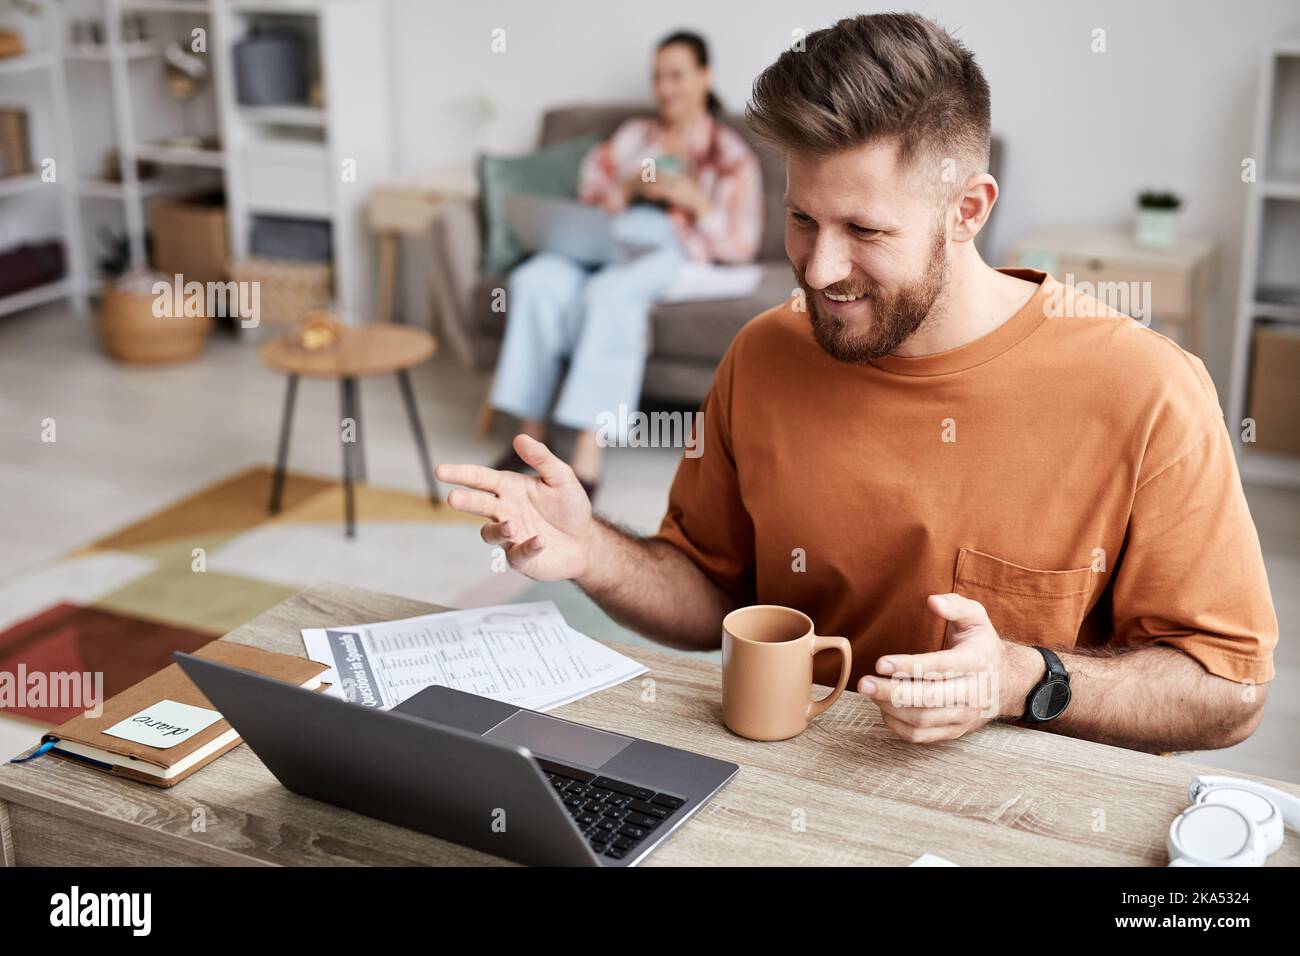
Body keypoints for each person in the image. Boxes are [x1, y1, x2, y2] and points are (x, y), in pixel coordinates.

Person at [438, 14, 1276, 752]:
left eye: (865, 230)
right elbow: (713, 595)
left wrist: (1026, 677)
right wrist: (595, 555)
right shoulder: (764, 356)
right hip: (798, 791)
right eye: (802, 219)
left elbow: (1229, 692)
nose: (821, 268)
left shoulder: (1148, 390)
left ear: (969, 210)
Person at [488, 30, 764, 498]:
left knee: (609, 295)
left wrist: (697, 203)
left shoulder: (730, 155)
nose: (665, 88)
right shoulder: (635, 136)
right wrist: (630, 189)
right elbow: (591, 195)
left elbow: (741, 244)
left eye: (676, 75)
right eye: (658, 77)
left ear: (704, 76)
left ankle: (586, 457)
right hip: (606, 236)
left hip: (667, 248)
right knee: (535, 279)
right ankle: (530, 436)